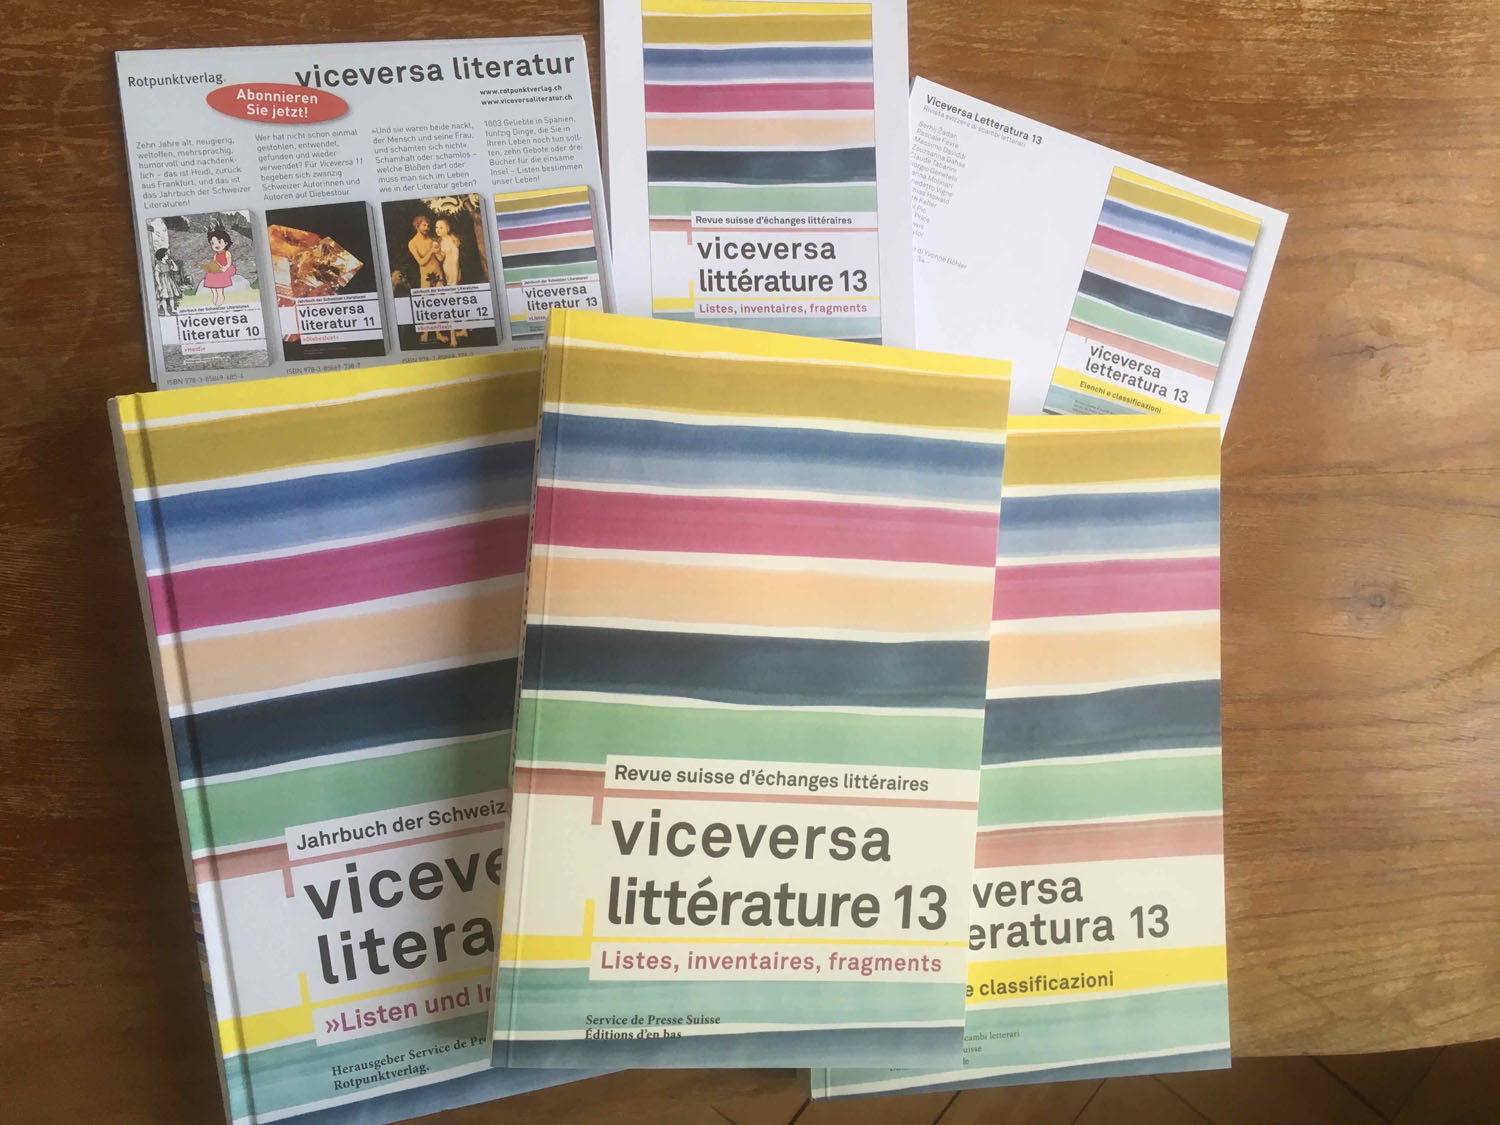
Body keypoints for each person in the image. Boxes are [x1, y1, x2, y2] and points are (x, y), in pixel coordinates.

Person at [407, 214, 444, 343]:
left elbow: (440, 259)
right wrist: (431, 251)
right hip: (426, 276)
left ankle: (438, 333)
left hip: (438, 274)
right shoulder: (412, 243)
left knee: (438, 304)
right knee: (426, 305)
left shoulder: (432, 240)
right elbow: (421, 262)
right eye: (424, 225)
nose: (427, 228)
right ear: (417, 226)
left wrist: (438, 251)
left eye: (428, 226)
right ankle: (425, 334)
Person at [434, 217, 466, 346]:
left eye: (441, 227)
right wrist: (436, 251)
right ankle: (454, 336)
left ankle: (461, 331)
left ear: (447, 228)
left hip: (456, 272)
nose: (438, 230)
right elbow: (441, 258)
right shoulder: (440, 242)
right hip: (448, 273)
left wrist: (458, 273)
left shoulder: (453, 239)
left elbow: (457, 257)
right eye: (436, 227)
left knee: (457, 303)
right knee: (452, 304)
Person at [199, 228, 237, 307]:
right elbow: (215, 262)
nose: (216, 245)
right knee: (210, 275)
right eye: (213, 243)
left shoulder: (227, 253)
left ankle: (220, 294)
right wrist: (210, 267)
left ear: (226, 243)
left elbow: (229, 262)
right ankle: (214, 293)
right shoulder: (216, 255)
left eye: (219, 242)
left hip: (226, 268)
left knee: (219, 276)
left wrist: (225, 268)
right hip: (218, 269)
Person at [153, 248, 184, 317]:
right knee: (164, 297)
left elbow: (176, 269)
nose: (168, 255)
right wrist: (159, 284)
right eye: (166, 254)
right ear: (162, 255)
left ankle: (173, 309)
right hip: (163, 282)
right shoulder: (158, 265)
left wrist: (172, 261)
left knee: (171, 296)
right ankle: (166, 312)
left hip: (170, 281)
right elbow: (156, 275)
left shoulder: (168, 263)